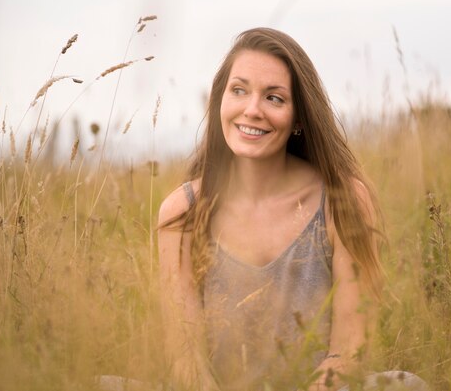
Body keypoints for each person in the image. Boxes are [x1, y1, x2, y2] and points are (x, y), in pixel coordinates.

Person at [155, 27, 427, 391]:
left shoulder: (344, 201)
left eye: (274, 98)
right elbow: (184, 358)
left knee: (407, 386)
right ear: (220, 100)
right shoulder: (182, 213)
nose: (252, 110)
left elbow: (350, 347)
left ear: (299, 118)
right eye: (239, 91)